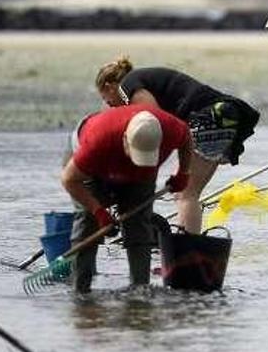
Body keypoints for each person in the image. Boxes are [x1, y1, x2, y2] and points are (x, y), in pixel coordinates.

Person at [94, 58, 260, 232]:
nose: (111, 107)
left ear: (108, 86)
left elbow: (155, 120)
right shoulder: (139, 81)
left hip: (210, 116)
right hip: (224, 114)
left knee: (185, 193)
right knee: (190, 193)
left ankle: (186, 248)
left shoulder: (126, 87)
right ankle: (187, 242)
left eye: (108, 101)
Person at [61, 105, 196, 293]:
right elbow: (69, 180)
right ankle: (81, 290)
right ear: (125, 140)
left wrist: (184, 173)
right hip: (93, 170)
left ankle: (140, 289)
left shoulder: (171, 128)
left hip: (141, 176)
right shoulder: (98, 141)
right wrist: (98, 211)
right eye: (138, 155)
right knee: (87, 223)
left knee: (139, 222)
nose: (138, 161)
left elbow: (187, 139)